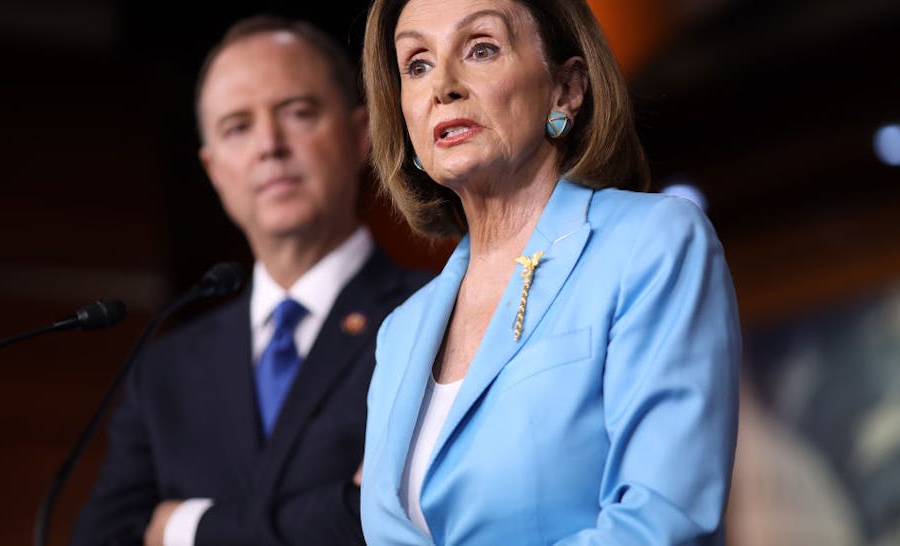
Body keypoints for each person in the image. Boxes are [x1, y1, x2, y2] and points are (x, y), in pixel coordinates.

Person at [358, 0, 741, 544]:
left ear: (567, 89)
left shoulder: (651, 243)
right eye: (417, 64)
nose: (442, 85)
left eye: (481, 49)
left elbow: (661, 522)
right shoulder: (399, 334)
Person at [72, 15, 428, 546]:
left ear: (361, 136)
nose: (269, 145)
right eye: (238, 127)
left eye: (298, 113)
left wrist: (184, 527)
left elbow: (389, 519)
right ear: (214, 171)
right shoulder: (165, 368)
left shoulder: (432, 315)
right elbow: (104, 537)